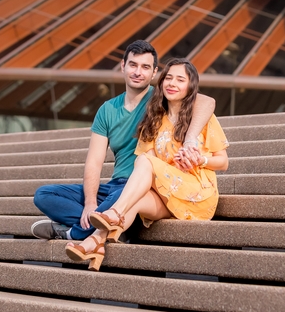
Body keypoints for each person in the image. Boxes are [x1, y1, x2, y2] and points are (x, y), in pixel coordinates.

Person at [31, 41, 216, 242]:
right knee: (44, 195)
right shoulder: (107, 109)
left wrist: (190, 141)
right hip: (113, 186)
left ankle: (72, 232)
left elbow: (207, 102)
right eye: (133, 65)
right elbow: (94, 161)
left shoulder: (162, 99)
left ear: (154, 73)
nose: (138, 72)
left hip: (143, 186)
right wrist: (90, 203)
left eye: (145, 67)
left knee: (117, 200)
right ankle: (112, 226)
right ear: (123, 66)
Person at [65, 58, 228, 270]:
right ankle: (96, 243)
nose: (172, 83)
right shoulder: (153, 121)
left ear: (190, 86)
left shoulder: (202, 118)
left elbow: (223, 161)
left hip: (197, 193)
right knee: (137, 198)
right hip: (166, 192)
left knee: (143, 161)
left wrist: (200, 159)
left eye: (180, 79)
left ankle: (105, 224)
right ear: (160, 83)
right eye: (168, 78)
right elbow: (151, 168)